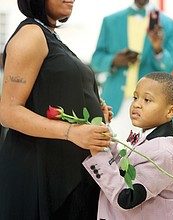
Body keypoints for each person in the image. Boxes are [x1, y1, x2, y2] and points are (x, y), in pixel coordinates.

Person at [0, 0, 113, 219]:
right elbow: (8, 112)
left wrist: (92, 111)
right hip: (40, 173)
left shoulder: (48, 35)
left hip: (63, 173)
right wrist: (72, 132)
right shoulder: (31, 34)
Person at [83, 72, 173, 220]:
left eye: (147, 100)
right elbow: (121, 168)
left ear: (170, 111)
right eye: (135, 97)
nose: (136, 104)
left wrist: (98, 154)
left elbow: (126, 198)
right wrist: (104, 131)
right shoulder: (148, 137)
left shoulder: (164, 153)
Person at [91, 0, 173, 142]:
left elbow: (171, 66)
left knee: (148, 158)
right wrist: (114, 60)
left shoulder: (171, 26)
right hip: (114, 105)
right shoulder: (110, 21)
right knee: (110, 153)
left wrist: (158, 49)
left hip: (152, 109)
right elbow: (96, 61)